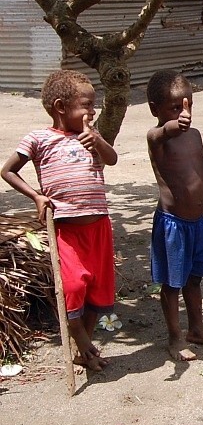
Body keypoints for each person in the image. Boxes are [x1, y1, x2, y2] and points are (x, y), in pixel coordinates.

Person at [2, 70, 118, 371]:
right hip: (66, 230)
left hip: (99, 226)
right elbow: (8, 170)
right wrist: (37, 196)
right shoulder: (39, 139)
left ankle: (85, 350)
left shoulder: (92, 136)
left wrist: (98, 141)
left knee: (97, 290)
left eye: (94, 105)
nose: (92, 111)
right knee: (72, 286)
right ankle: (83, 343)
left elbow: (112, 159)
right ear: (60, 107)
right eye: (86, 105)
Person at [146, 70, 203, 361]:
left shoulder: (194, 135)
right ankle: (175, 337)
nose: (185, 113)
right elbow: (160, 132)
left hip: (197, 223)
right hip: (173, 225)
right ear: (154, 109)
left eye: (189, 105)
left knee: (194, 280)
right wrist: (172, 126)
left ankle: (197, 329)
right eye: (175, 107)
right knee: (172, 283)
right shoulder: (157, 138)